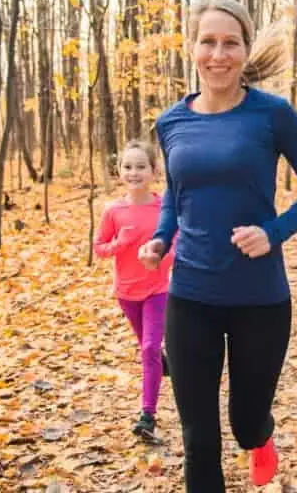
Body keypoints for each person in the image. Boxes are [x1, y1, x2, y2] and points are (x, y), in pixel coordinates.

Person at [137, 0, 297, 492]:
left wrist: (273, 233)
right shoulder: (170, 122)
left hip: (260, 300)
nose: (218, 54)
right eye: (208, 42)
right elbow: (177, 197)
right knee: (198, 438)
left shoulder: (272, 114)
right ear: (192, 47)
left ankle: (260, 438)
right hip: (190, 298)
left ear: (246, 50)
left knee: (246, 421)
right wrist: (161, 239)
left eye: (230, 43)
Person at [94, 140, 174, 442]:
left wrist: (162, 257)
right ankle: (161, 363)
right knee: (149, 348)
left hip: (157, 289)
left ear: (153, 171)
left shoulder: (163, 207)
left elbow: (176, 242)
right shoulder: (113, 211)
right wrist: (121, 244)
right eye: (128, 167)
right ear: (119, 172)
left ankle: (147, 415)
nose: (134, 172)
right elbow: (99, 249)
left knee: (149, 348)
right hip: (126, 292)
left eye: (141, 167)